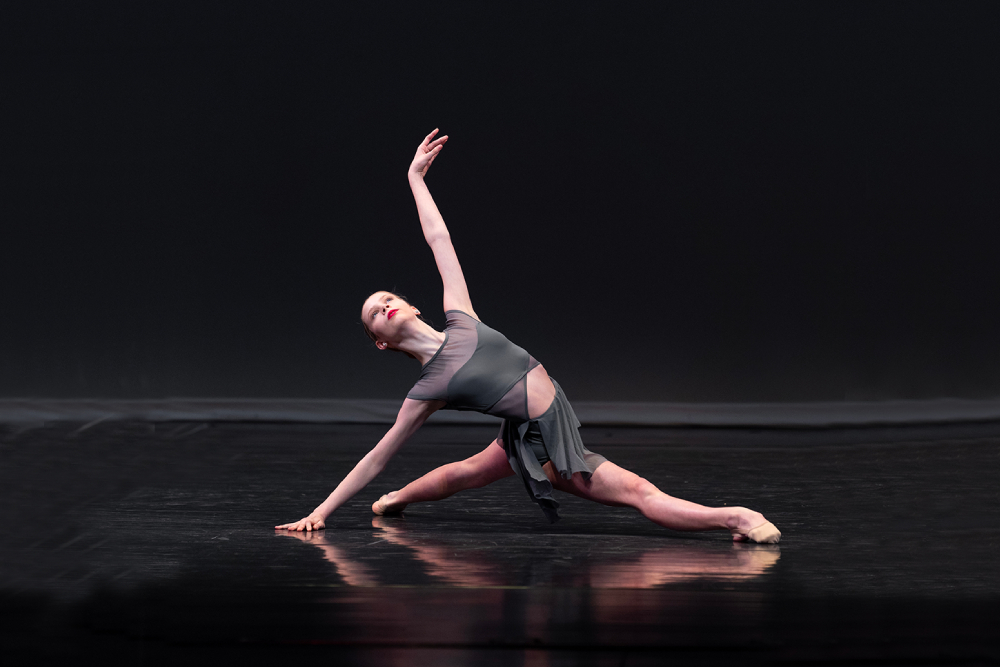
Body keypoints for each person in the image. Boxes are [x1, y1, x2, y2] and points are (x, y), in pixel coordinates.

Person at [276, 130, 781, 543]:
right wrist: (320, 512)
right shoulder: (428, 390)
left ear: (412, 305)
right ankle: (737, 518)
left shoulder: (460, 316)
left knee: (466, 472)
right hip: (544, 442)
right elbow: (377, 455)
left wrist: (415, 179)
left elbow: (439, 238)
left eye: (388, 297)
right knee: (638, 492)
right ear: (380, 341)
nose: (383, 304)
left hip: (531, 426)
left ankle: (393, 502)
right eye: (373, 313)